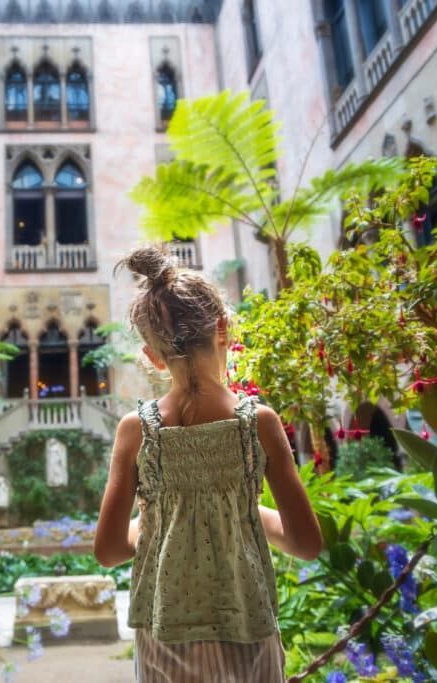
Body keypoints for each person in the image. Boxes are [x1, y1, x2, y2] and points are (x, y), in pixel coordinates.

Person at [94, 246, 322, 682]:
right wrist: (241, 511)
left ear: (152, 355)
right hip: (248, 631)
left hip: (165, 640)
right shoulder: (260, 423)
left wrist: (157, 521)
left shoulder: (135, 431)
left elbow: (108, 552)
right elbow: (306, 544)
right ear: (223, 329)